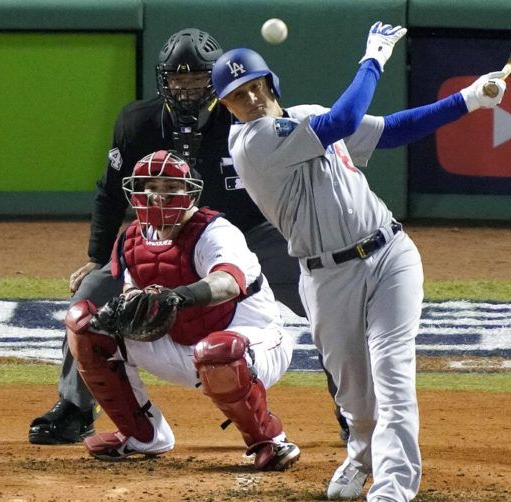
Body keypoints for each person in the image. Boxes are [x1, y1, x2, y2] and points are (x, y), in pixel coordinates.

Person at [211, 22, 506, 502]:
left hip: (391, 255)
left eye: (255, 86)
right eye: (237, 96)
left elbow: (390, 130)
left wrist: (470, 99)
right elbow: (346, 115)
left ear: (271, 84)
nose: (251, 99)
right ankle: (363, 454)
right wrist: (374, 57)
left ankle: (393, 494)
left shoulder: (305, 118)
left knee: (392, 375)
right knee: (357, 402)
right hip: (327, 280)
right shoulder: (252, 143)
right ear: (228, 109)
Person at [27, 28, 349, 445]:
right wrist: (95, 255)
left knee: (323, 298)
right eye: (177, 79)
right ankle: (74, 408)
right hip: (167, 239)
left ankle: (351, 409)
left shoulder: (246, 116)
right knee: (92, 290)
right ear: (164, 80)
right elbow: (110, 191)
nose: (186, 88)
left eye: (197, 78)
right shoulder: (137, 122)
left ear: (215, 82)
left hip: (255, 235)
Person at [65, 149, 300, 470]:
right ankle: (144, 435)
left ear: (189, 194)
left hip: (253, 343)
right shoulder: (132, 240)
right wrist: (131, 308)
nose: (158, 197)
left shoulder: (215, 232)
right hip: (183, 345)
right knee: (85, 325)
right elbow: (134, 292)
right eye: (151, 188)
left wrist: (177, 298)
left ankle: (270, 440)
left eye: (170, 188)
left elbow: (227, 282)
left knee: (218, 350)